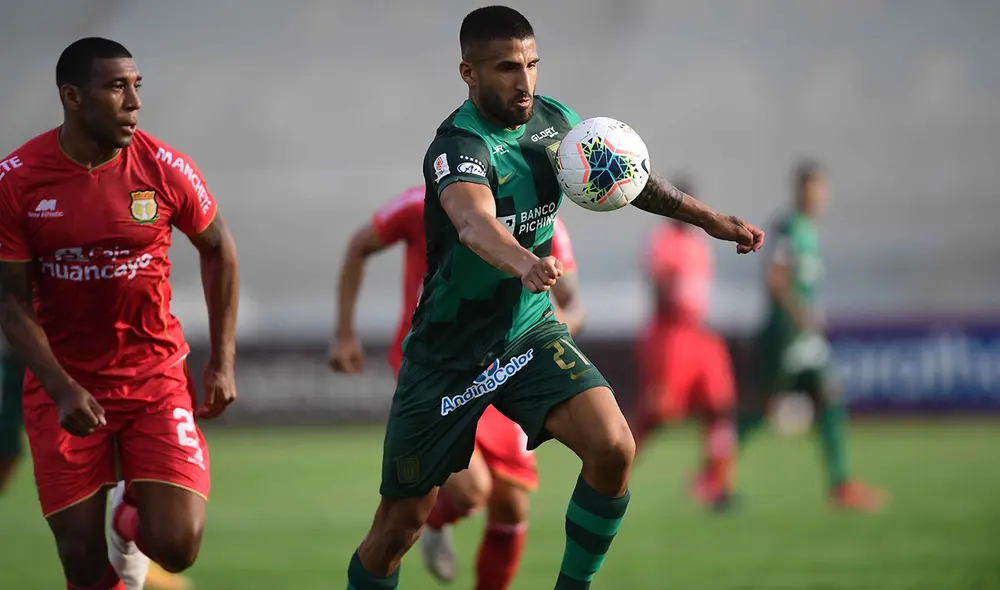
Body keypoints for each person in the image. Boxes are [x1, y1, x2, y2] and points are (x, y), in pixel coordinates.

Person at [343, 7, 764, 590]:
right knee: (396, 530)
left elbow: (626, 175)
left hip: (528, 332)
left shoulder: (555, 121)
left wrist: (709, 218)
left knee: (614, 446)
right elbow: (471, 223)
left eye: (532, 64)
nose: (525, 80)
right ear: (469, 72)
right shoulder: (458, 146)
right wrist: (524, 261)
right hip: (447, 357)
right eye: (507, 68)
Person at [0, 37, 239, 590]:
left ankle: (128, 516)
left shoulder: (165, 167)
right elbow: (9, 301)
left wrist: (222, 361)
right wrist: (60, 388)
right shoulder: (17, 181)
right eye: (116, 87)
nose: (134, 102)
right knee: (82, 563)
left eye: (137, 86)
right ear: (72, 97)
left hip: (153, 378)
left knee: (177, 547)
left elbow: (219, 248)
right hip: (62, 385)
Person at [330, 185, 585, 589]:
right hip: (437, 367)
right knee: (470, 491)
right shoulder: (427, 203)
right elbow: (361, 243)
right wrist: (344, 334)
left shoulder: (543, 217)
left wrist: (540, 336)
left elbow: (573, 304)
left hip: (506, 367)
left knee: (513, 504)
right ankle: (433, 520)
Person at [738, 160, 887, 512]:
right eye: (810, 189)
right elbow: (774, 276)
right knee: (764, 408)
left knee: (829, 399)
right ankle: (714, 474)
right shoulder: (788, 226)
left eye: (820, 189)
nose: (816, 196)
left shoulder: (809, 228)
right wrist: (799, 312)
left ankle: (842, 484)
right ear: (799, 190)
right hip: (785, 333)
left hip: (804, 335)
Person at [633, 175, 738, 511]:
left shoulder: (699, 242)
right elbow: (658, 285)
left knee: (719, 409)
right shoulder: (663, 240)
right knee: (658, 413)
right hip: (671, 334)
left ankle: (715, 485)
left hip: (700, 333)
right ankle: (610, 472)